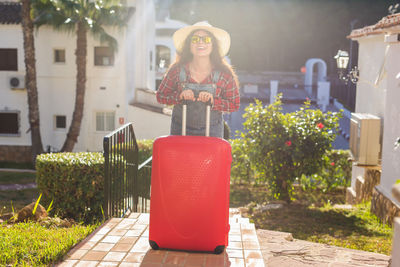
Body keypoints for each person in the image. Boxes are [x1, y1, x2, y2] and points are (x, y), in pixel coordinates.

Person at [156, 21, 240, 138]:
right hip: (180, 131)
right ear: (189, 45)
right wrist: (179, 96)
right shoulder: (176, 70)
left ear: (213, 45)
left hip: (212, 132)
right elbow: (161, 96)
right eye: (195, 39)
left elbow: (234, 104)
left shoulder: (224, 74)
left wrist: (213, 101)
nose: (200, 42)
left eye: (206, 39)